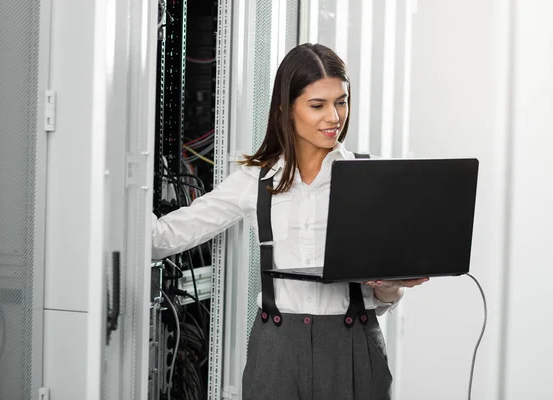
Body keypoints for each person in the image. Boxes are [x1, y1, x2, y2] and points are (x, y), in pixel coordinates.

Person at [151, 43, 428, 400]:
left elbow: (386, 294)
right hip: (276, 352)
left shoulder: (371, 174)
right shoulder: (255, 180)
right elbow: (165, 236)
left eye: (341, 101)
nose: (334, 117)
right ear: (286, 108)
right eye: (318, 105)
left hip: (355, 348)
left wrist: (390, 287)